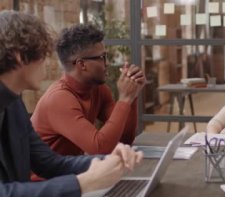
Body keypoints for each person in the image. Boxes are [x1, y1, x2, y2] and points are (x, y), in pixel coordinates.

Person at [0, 10, 143, 197]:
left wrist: (107, 161)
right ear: (19, 57)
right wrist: (84, 183)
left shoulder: (14, 104)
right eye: (42, 54)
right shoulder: (56, 98)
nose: (48, 62)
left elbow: (50, 164)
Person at [31, 24, 145, 156]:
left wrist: (132, 96)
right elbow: (100, 147)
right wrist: (125, 99)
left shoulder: (98, 89)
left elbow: (124, 139)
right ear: (81, 64)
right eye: (101, 57)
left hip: (73, 171)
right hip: (46, 176)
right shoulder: (59, 99)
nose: (106, 63)